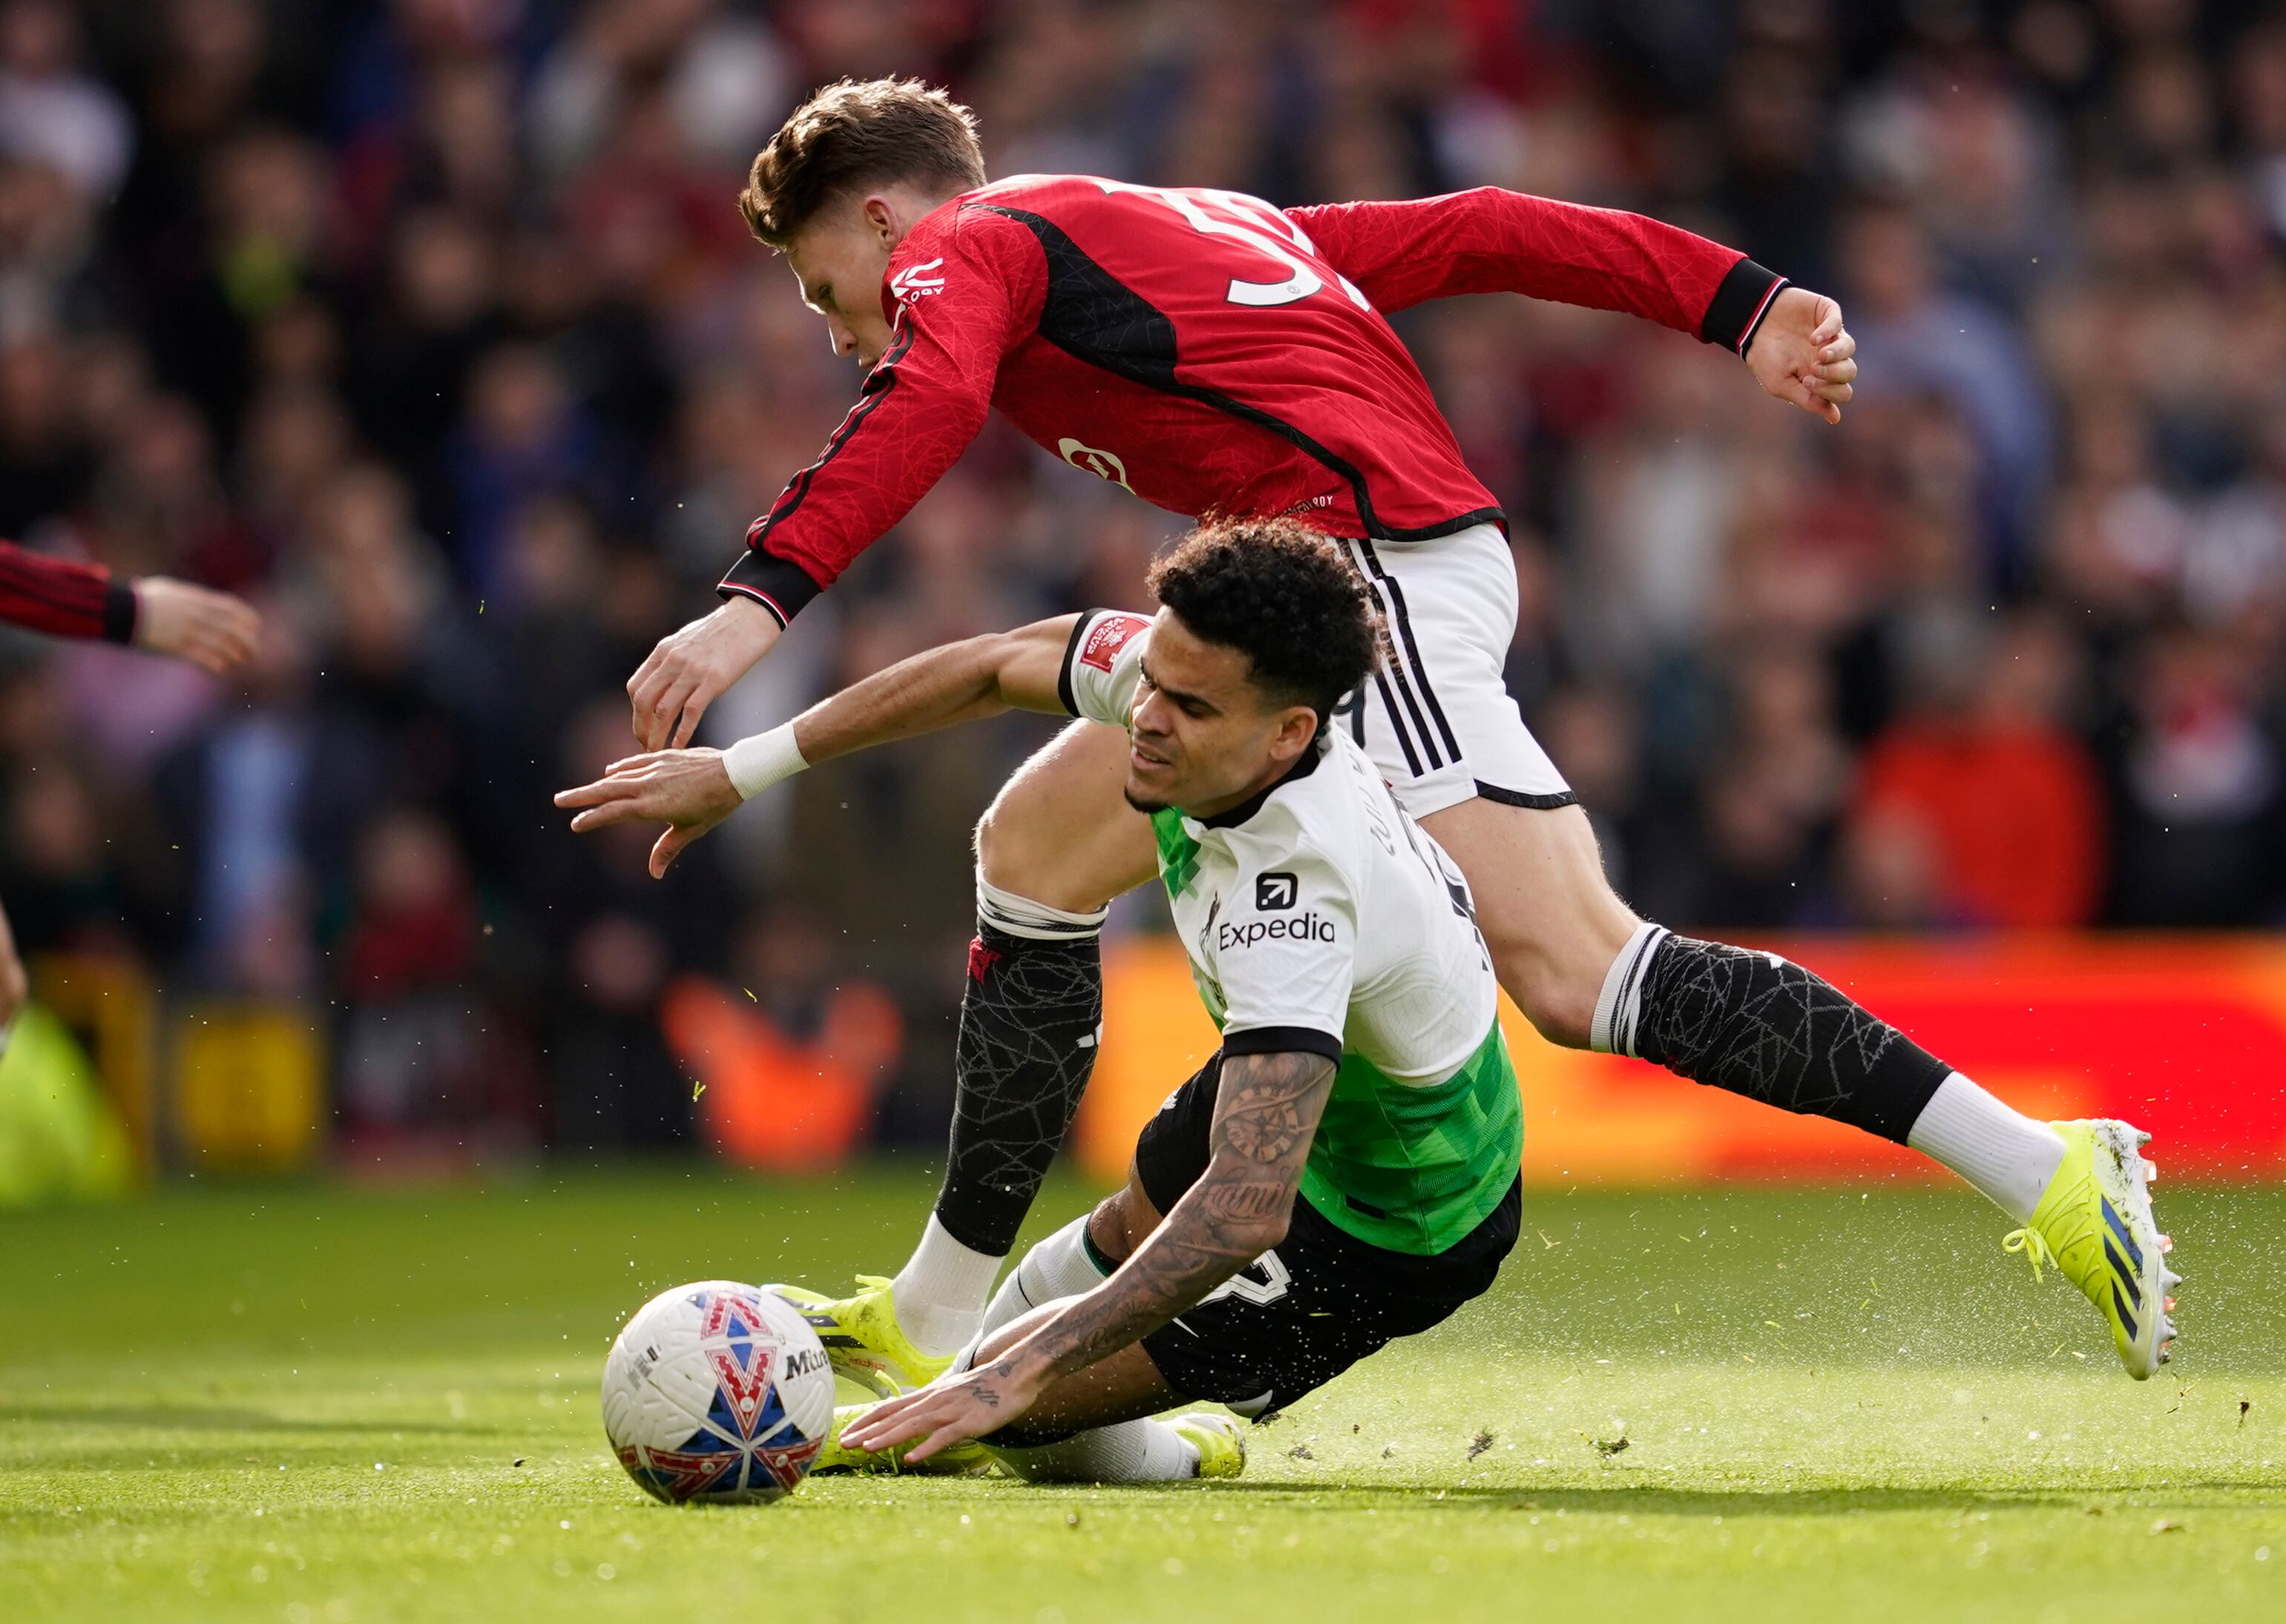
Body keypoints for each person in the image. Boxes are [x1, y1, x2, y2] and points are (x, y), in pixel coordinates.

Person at [609, 78, 2178, 1384]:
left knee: (1579, 971)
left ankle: (2045, 1168)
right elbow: (1484, 229)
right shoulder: (1182, 229)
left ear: (888, 218)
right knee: (1030, 846)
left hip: (1366, 579)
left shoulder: (967, 244)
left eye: (830, 290)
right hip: (1318, 574)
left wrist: (752, 604)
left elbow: (929, 398)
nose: (842, 330)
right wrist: (1736, 299)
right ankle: (938, 1310)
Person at [570, 520, 1521, 1480]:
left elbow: (1242, 1209)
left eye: (1187, 706)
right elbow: (991, 666)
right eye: (1153, 679)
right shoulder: (1192, 681)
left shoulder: (1297, 894)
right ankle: (949, 1342)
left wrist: (1010, 1379)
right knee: (1014, 1337)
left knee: (1018, 1406)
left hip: (1398, 1211)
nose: (1146, 716)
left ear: (1288, 733)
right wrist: (739, 770)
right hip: (1312, 1084)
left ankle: (1187, 1453)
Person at [0, 540, 259, 1025]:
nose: (31, 708)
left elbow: (157, 899)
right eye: (14, 692)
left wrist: (85, 875)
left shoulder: (92, 772)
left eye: (37, 687)